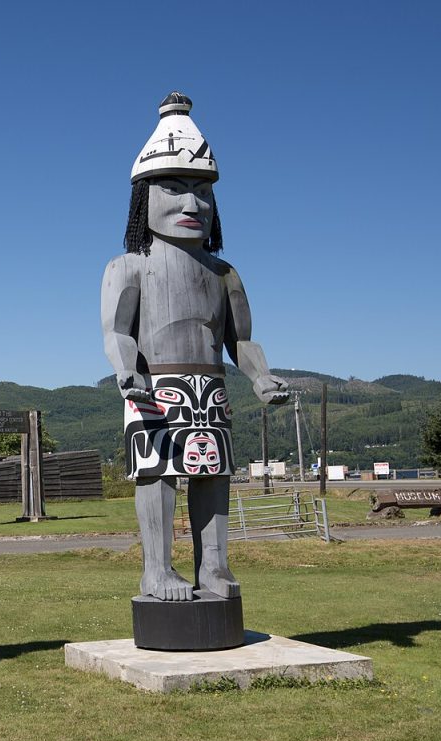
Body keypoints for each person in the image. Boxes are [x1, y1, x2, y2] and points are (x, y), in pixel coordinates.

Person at [101, 92, 288, 602]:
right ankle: (156, 570)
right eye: (174, 188)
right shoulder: (129, 266)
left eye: (202, 192)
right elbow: (117, 331)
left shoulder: (224, 273)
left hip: (211, 387)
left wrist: (260, 375)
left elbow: (240, 339)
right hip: (154, 384)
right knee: (157, 476)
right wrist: (126, 369)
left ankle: (214, 569)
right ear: (145, 196)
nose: (191, 204)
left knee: (213, 476)